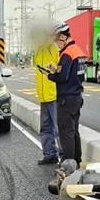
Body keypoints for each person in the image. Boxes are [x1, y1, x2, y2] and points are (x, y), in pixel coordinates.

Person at [46, 22, 85, 164]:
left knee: (65, 132)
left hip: (66, 99)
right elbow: (75, 75)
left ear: (63, 36)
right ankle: (77, 161)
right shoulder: (78, 51)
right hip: (77, 96)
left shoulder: (67, 54)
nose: (57, 44)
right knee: (74, 131)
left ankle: (68, 164)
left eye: (57, 40)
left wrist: (50, 75)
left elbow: (62, 78)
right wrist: (56, 69)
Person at [33, 28, 60, 165]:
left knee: (58, 128)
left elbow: (60, 69)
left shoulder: (53, 48)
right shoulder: (37, 51)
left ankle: (64, 158)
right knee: (45, 128)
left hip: (54, 95)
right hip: (43, 97)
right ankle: (50, 154)